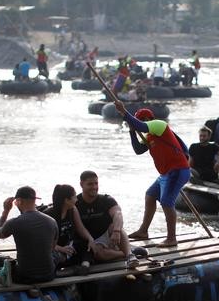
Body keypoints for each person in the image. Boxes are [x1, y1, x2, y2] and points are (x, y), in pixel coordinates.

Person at [116, 104, 190, 247]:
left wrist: (124, 112)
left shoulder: (159, 125)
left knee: (167, 203)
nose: (143, 121)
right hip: (165, 174)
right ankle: (143, 231)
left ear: (150, 118)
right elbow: (138, 150)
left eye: (145, 119)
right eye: (141, 119)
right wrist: (132, 132)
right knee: (150, 195)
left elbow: (141, 126)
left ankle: (171, 238)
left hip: (177, 170)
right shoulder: (149, 137)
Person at [0, 186, 58, 284]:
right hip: (49, 275)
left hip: (25, 277)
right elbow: (52, 248)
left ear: (19, 201)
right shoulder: (52, 221)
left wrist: (5, 211)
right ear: (34, 200)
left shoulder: (14, 222)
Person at [75, 170, 138, 268]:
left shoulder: (106, 199)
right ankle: (126, 251)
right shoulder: (75, 202)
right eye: (90, 184)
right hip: (88, 239)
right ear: (81, 184)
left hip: (107, 234)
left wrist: (116, 231)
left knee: (116, 225)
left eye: (96, 183)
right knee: (98, 254)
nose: (94, 187)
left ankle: (130, 255)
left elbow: (118, 213)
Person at [45, 184, 96, 269]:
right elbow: (45, 241)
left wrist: (90, 239)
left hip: (70, 246)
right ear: (67, 200)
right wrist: (61, 249)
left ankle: (84, 267)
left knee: (87, 245)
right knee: (55, 256)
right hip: (56, 248)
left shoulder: (73, 209)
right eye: (74, 197)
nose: (77, 199)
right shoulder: (49, 215)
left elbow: (80, 228)